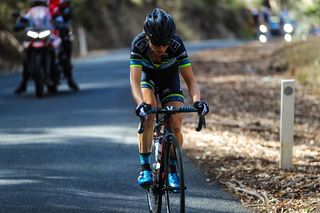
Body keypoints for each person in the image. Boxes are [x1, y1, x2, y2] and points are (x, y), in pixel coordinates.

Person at [129, 8, 209, 189]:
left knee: (175, 123)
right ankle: (145, 168)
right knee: (149, 111)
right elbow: (134, 82)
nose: (162, 49)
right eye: (158, 45)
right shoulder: (138, 44)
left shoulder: (177, 44)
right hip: (147, 78)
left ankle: (172, 168)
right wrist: (140, 104)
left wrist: (197, 101)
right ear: (148, 38)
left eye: (165, 44)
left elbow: (191, 80)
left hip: (169, 79)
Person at [14, 0, 60, 94]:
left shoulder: (49, 11)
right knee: (25, 55)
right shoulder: (30, 12)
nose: (38, 3)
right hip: (34, 35)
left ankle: (60, 73)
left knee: (58, 47)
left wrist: (59, 23)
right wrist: (19, 23)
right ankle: (24, 82)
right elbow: (23, 21)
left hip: (47, 35)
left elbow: (58, 19)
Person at [49, 0, 79, 91]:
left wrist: (66, 11)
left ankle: (69, 77)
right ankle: (24, 80)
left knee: (66, 42)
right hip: (42, 28)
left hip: (58, 26)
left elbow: (67, 7)